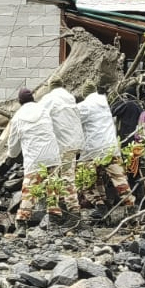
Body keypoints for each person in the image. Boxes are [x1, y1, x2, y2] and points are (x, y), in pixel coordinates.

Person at [6, 88, 60, 232]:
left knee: (29, 191)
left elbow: (13, 148)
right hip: (52, 156)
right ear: (33, 98)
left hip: (34, 159)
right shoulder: (44, 110)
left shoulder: (17, 118)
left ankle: (22, 222)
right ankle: (53, 221)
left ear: (20, 102)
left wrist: (11, 156)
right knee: (53, 188)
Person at [76, 88, 136, 215]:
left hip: (93, 150)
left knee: (86, 179)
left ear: (85, 95)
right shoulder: (105, 103)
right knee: (119, 179)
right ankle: (131, 207)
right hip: (111, 148)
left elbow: (73, 123)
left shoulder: (83, 106)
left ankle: (100, 205)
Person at [38, 86, 85, 223]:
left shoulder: (48, 99)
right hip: (72, 145)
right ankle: (73, 213)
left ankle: (54, 214)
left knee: (52, 178)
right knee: (68, 177)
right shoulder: (71, 100)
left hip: (58, 146)